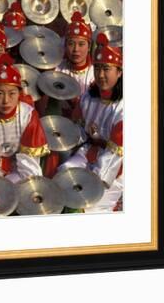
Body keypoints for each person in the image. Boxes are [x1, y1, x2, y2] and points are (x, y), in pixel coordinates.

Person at [57, 33, 124, 212]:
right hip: (89, 151)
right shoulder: (89, 96)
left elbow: (115, 155)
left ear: (119, 72)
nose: (100, 75)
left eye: (106, 69)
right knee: (64, 174)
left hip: (116, 166)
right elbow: (79, 129)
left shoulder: (124, 108)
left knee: (90, 204)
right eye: (97, 69)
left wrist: (94, 179)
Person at [0, 53, 50, 183]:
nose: (6, 100)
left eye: (12, 93)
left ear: (19, 93)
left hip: (19, 167)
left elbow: (29, 162)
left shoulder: (28, 115)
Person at [55, 11, 95, 96]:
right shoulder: (57, 70)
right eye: (71, 44)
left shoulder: (95, 74)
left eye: (81, 44)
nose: (76, 49)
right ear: (65, 45)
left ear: (89, 46)